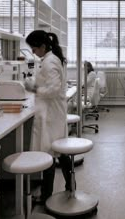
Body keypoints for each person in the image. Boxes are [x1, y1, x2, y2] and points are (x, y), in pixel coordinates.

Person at [25, 30, 72, 203]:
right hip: (53, 111)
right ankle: (69, 185)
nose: (33, 52)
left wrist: (35, 89)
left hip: (51, 113)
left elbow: (52, 90)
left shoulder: (49, 62)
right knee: (57, 151)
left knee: (50, 153)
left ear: (43, 46)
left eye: (34, 48)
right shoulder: (50, 59)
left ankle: (46, 196)